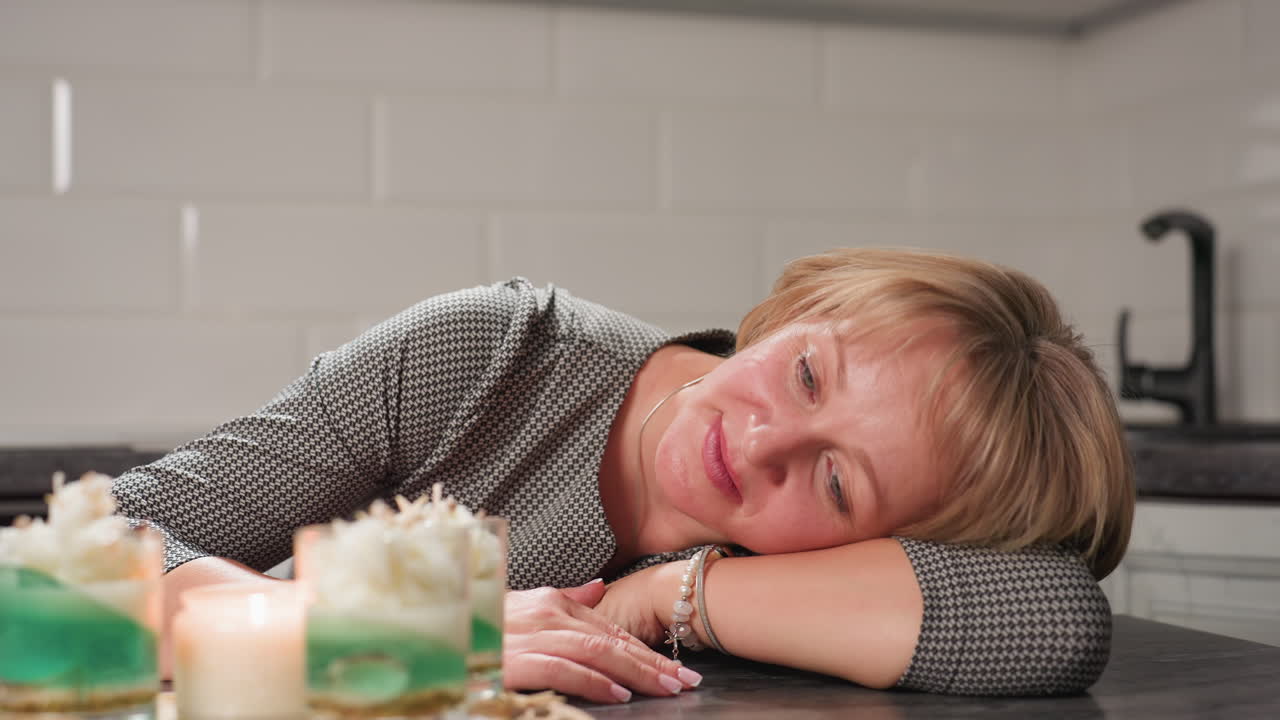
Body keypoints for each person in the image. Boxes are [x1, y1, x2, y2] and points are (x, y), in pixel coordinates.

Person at [111, 247, 1134, 703]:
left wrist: (667, 595)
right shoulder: (487, 358)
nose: (761, 440)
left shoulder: (798, 573)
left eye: (833, 485)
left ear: (878, 540)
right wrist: (403, 634)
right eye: (807, 370)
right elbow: (51, 579)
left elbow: (1055, 620)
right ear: (795, 308)